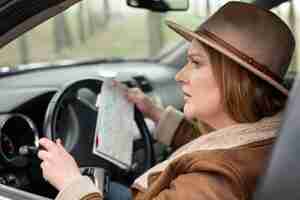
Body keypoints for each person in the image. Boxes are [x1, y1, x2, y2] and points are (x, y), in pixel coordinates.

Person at [37, 1, 295, 200]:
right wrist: (155, 114)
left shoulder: (215, 179)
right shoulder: (266, 138)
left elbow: (211, 164)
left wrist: (72, 184)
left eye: (196, 63)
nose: (181, 76)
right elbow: (208, 148)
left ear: (237, 80)